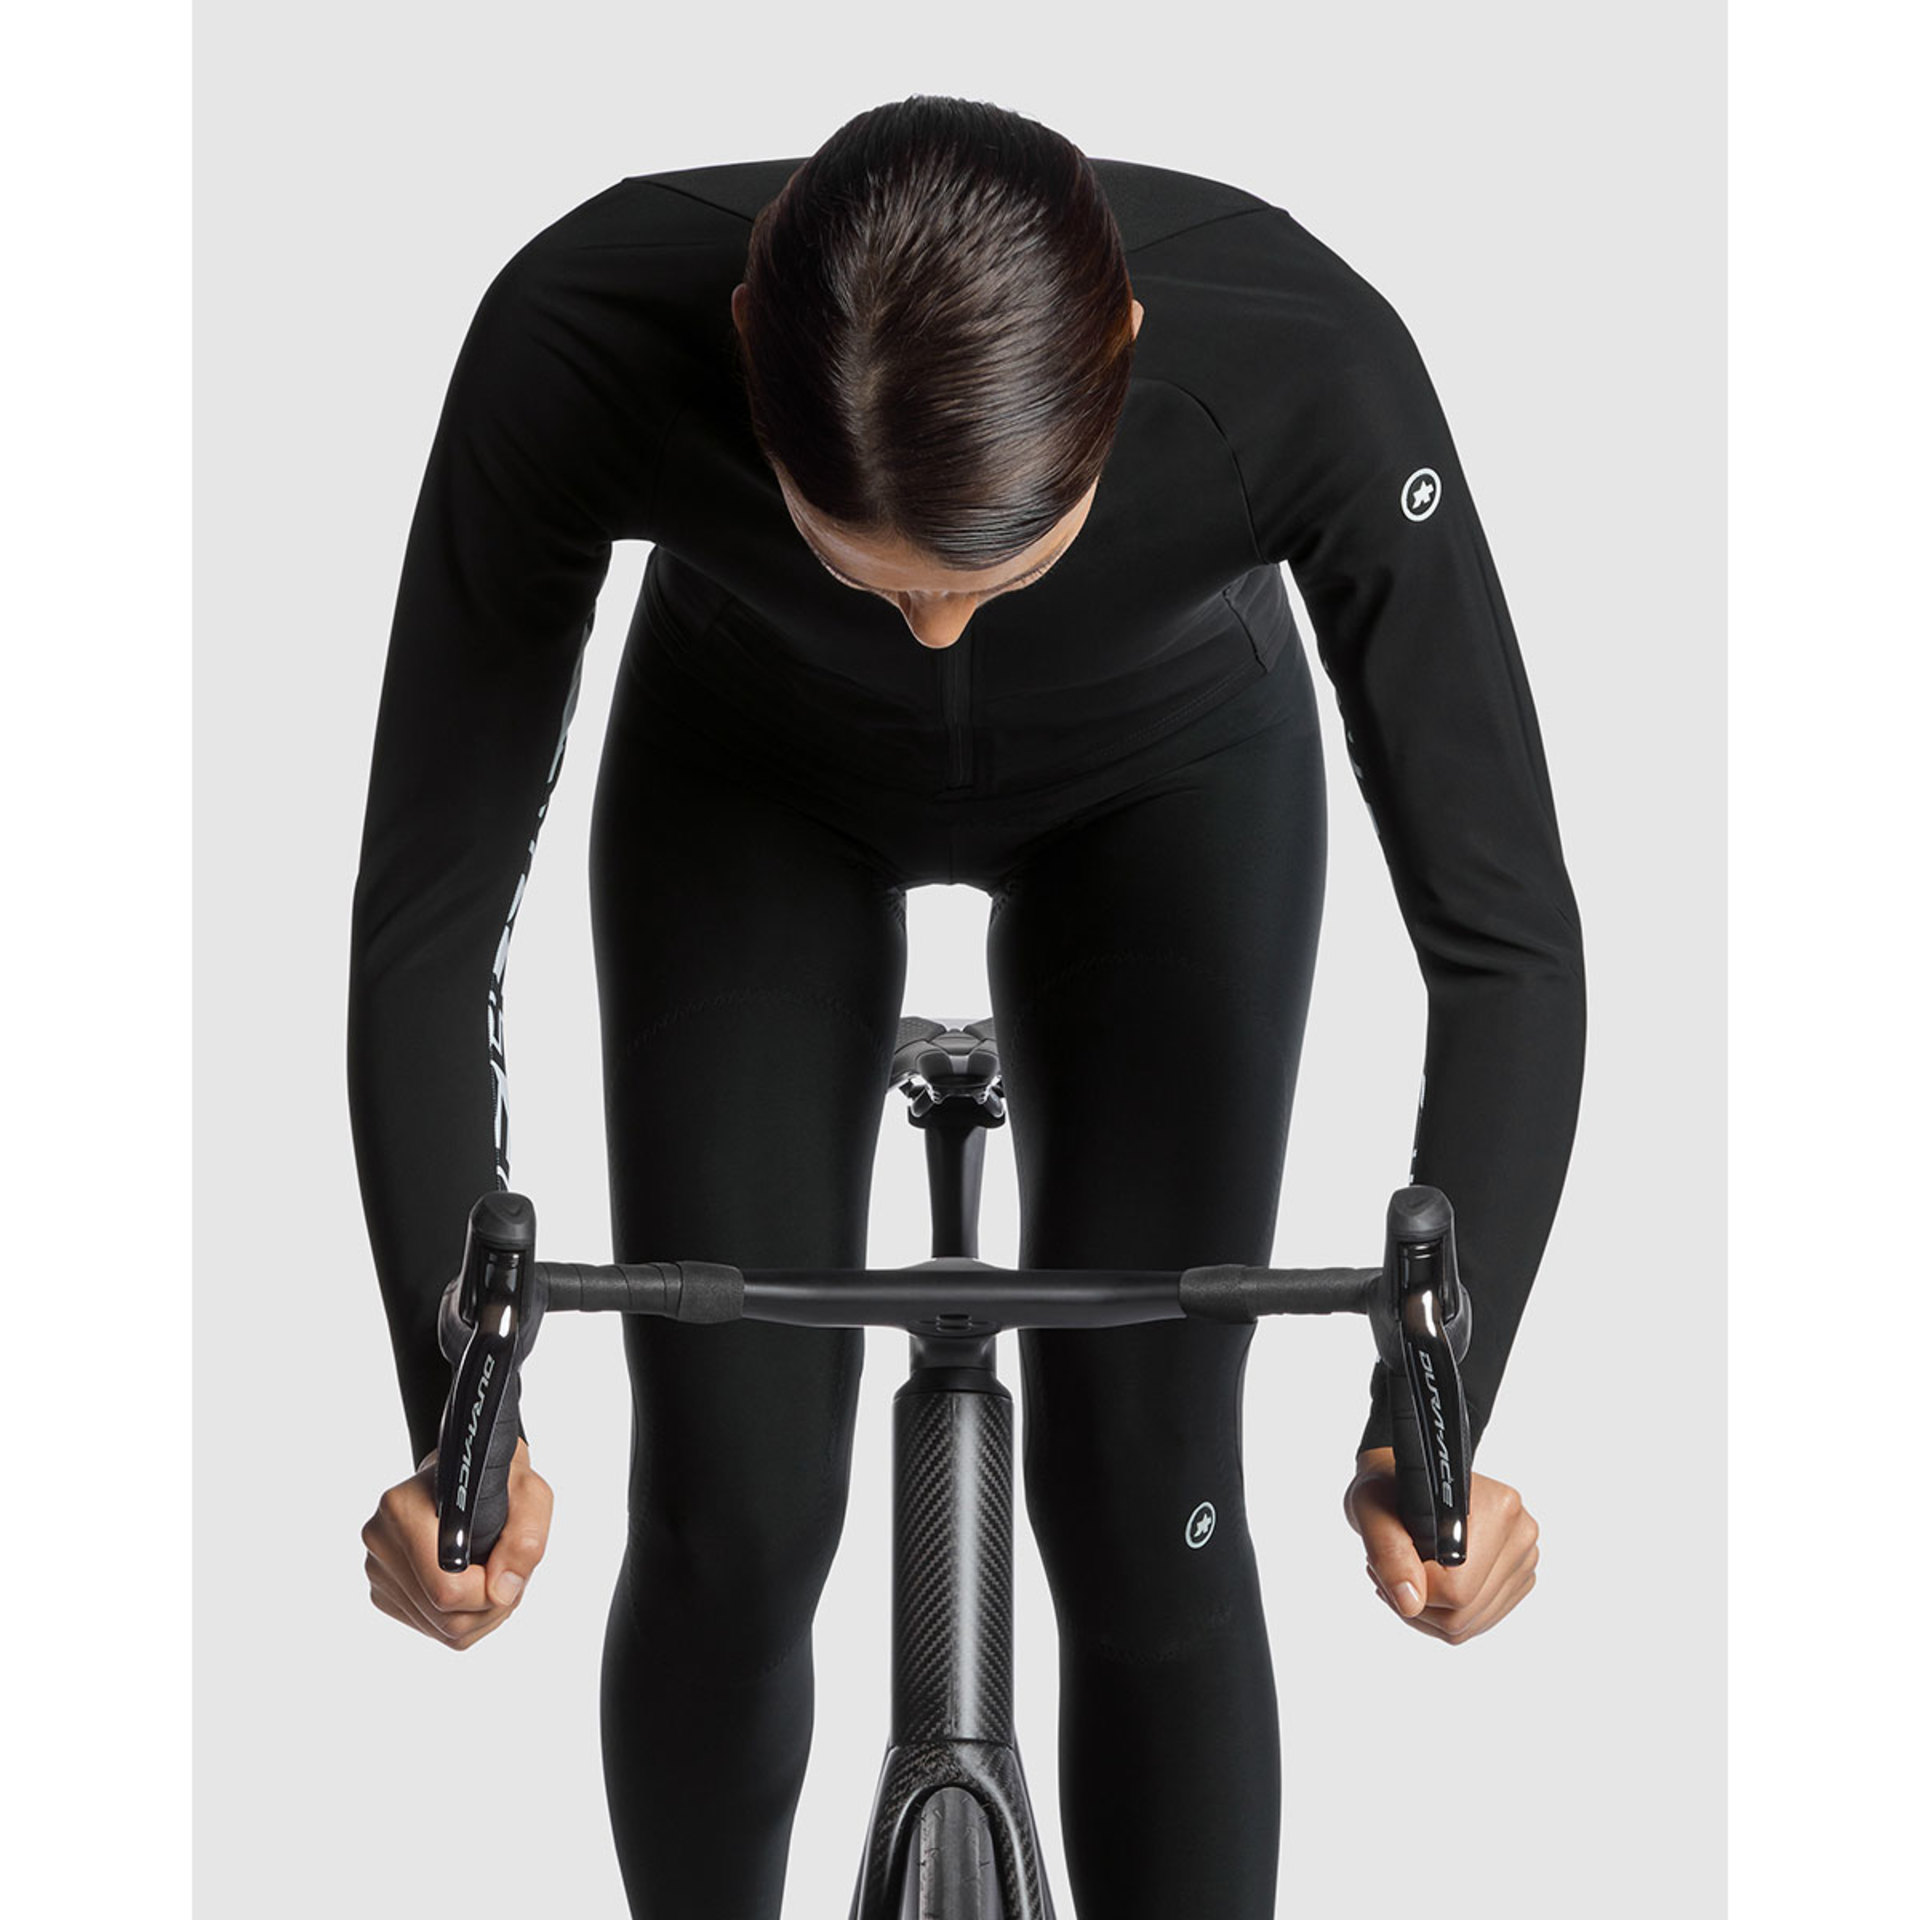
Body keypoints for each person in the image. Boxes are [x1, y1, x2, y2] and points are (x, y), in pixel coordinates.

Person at [351, 95, 1585, 1918]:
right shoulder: (582, 330)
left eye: (999, 568)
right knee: (729, 1521)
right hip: (750, 787)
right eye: (865, 564)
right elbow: (433, 922)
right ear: (747, 355)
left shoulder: (1309, 359)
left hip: (1166, 792)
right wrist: (459, 1418)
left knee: (1154, 1509)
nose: (937, 631)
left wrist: (1439, 1415)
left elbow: (1504, 939)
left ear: (1128, 357)